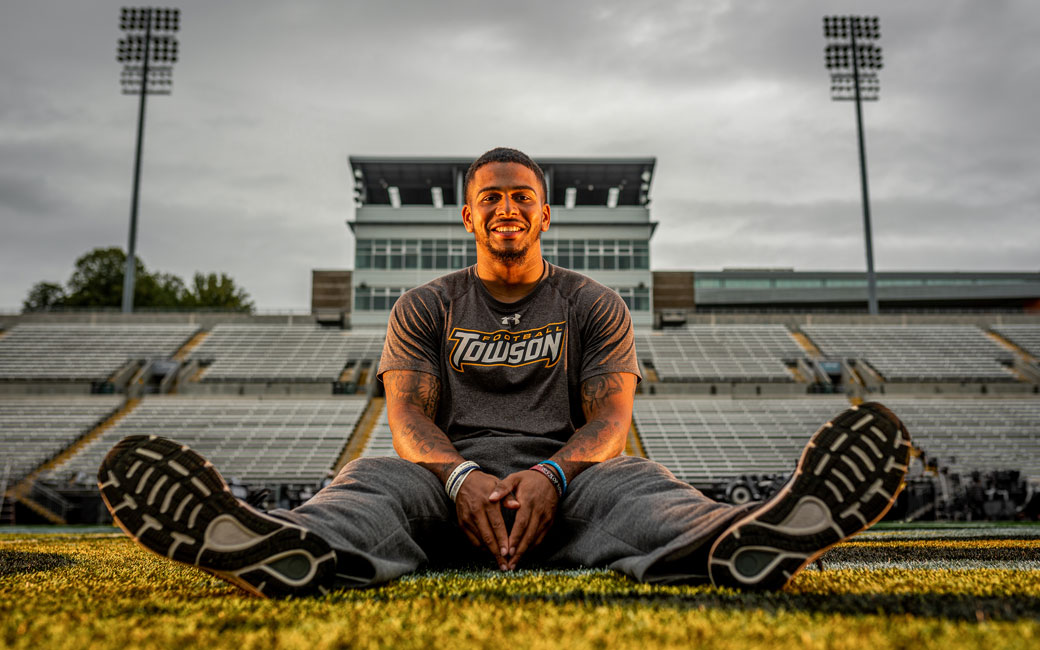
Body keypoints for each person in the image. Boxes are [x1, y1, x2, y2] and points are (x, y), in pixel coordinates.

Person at [98, 147, 911, 598]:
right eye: (491, 197)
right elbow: (409, 418)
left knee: (639, 484)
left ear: (545, 213)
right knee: (371, 478)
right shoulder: (424, 304)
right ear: (469, 215)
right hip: (449, 482)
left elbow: (609, 419)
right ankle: (281, 545)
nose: (506, 207)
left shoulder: (593, 302)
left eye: (521, 195)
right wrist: (459, 482)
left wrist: (556, 473)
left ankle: (751, 536)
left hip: (569, 479)